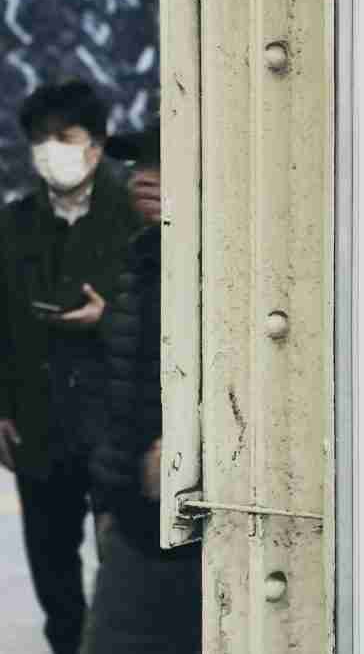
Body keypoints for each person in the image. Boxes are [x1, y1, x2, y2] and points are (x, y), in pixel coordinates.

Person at [0, 81, 140, 654]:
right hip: (38, 422)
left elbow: (165, 316)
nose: (48, 150)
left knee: (125, 566)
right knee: (52, 568)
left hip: (115, 422)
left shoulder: (134, 211)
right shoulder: (15, 220)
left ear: (97, 145)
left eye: (64, 137)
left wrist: (107, 318)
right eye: (39, 139)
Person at [82, 121, 203, 654]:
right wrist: (106, 497)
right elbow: (124, 382)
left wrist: (189, 449)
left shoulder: (234, 265)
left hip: (198, 519)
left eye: (163, 164)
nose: (145, 178)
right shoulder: (142, 254)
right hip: (133, 513)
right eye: (140, 166)